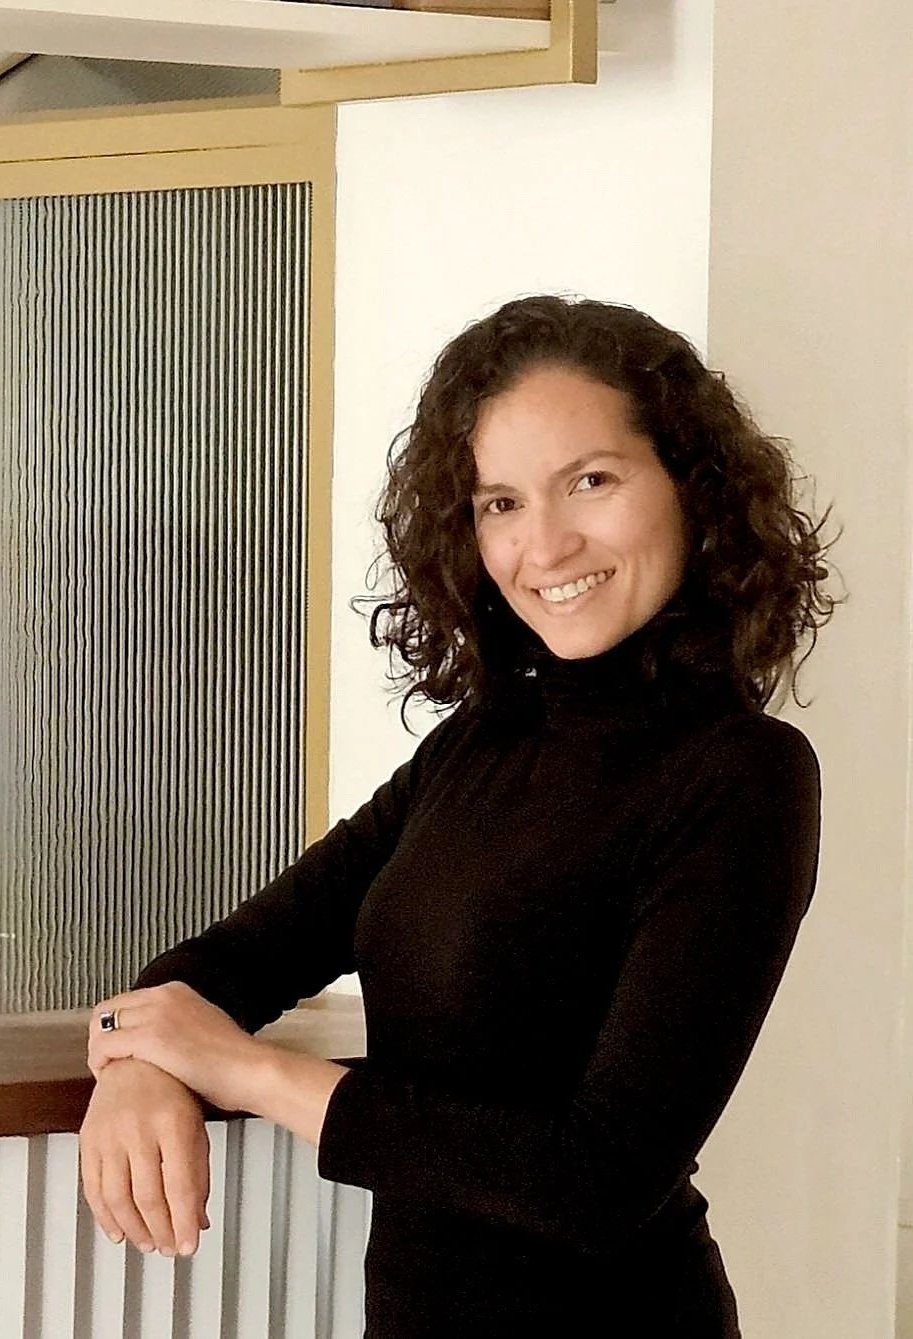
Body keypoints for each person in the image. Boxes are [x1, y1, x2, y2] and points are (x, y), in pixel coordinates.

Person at [79, 295, 838, 1337]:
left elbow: (594, 1176)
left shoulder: (742, 774)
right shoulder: (473, 747)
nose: (547, 543)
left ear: (693, 490)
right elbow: (233, 960)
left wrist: (244, 1071)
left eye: (591, 480)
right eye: (497, 503)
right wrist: (133, 1062)